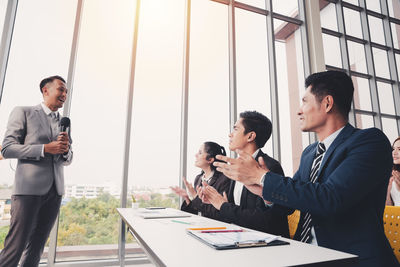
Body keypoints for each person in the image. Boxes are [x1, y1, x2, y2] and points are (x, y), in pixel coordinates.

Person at [213, 71, 398, 267]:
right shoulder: (310, 153)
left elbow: (330, 198)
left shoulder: (369, 142)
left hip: (349, 258)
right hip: (303, 252)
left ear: (327, 103)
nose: (299, 111)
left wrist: (263, 178)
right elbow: (291, 202)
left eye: (304, 101)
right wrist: (264, 192)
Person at [0, 75, 73, 267]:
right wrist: (44, 148)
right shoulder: (23, 112)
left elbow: (68, 158)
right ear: (45, 90)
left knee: (37, 246)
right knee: (16, 246)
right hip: (28, 191)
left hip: (55, 191)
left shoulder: (64, 122)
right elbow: (7, 148)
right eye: (61, 89)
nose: (64, 94)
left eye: (66, 91)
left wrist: (65, 152)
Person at [199, 111, 289, 237]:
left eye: (235, 129)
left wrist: (224, 206)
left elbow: (265, 220)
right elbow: (233, 212)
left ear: (250, 136)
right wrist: (214, 201)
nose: (230, 134)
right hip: (240, 238)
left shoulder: (269, 166)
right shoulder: (236, 168)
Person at [171, 141, 230, 219]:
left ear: (210, 159)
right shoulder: (198, 179)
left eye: (200, 153)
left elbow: (221, 212)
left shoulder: (224, 179)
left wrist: (195, 196)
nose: (196, 155)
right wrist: (187, 198)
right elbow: (195, 211)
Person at [386, 137, 400, 206]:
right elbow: (390, 206)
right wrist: (387, 192)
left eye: (399, 149)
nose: (394, 152)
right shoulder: (392, 174)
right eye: (393, 149)